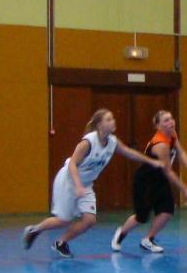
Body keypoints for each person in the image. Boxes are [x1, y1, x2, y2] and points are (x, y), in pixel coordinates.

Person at [22, 109, 163, 257]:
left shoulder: (112, 142)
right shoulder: (88, 142)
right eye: (109, 119)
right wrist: (78, 185)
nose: (113, 121)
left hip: (86, 183)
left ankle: (61, 242)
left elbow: (129, 152)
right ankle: (34, 230)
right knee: (63, 220)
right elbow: (72, 164)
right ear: (100, 125)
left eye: (113, 119)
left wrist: (151, 161)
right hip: (69, 180)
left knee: (89, 220)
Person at [112, 110, 187, 254]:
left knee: (167, 211)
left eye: (171, 118)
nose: (171, 122)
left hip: (160, 179)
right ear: (158, 126)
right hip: (145, 181)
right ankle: (121, 234)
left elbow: (180, 152)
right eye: (166, 120)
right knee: (141, 217)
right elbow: (168, 171)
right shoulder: (160, 145)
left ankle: (148, 239)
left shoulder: (172, 134)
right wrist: (184, 189)